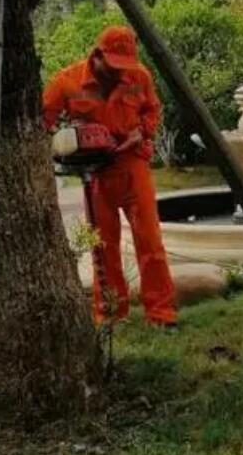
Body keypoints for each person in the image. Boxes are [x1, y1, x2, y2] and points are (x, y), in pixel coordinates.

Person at [42, 26, 178, 330]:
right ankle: (112, 315)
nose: (119, 72)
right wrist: (62, 143)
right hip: (95, 173)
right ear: (98, 55)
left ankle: (162, 313)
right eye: (114, 65)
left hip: (132, 165)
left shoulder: (139, 76)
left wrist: (141, 131)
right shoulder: (67, 81)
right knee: (103, 247)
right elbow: (41, 121)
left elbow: (152, 109)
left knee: (150, 242)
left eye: (124, 65)